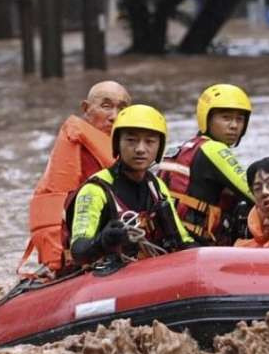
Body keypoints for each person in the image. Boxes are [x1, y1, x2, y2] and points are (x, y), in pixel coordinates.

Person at [20, 80, 132, 273]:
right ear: (86, 109)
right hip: (82, 253)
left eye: (122, 108)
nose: (114, 116)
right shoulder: (79, 152)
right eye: (106, 106)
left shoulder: (132, 151)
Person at [68, 105, 194, 264]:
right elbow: (78, 251)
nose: (140, 149)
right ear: (117, 144)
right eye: (131, 140)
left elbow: (183, 240)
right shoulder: (94, 190)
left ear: (159, 147)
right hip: (108, 277)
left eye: (149, 141)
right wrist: (102, 241)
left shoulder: (156, 186)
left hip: (151, 272)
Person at [157, 83, 254, 245]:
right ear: (206, 119)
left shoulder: (185, 148)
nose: (234, 126)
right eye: (226, 118)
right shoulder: (214, 149)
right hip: (195, 246)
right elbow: (255, 194)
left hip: (166, 240)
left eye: (240, 119)